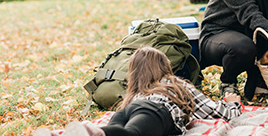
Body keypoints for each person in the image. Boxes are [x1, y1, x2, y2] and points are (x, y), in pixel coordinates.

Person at [34, 46, 241, 136]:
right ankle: (90, 132)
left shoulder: (134, 93)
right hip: (156, 112)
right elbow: (218, 113)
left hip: (127, 112)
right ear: (164, 67)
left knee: (121, 133)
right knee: (132, 135)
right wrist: (232, 103)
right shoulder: (173, 83)